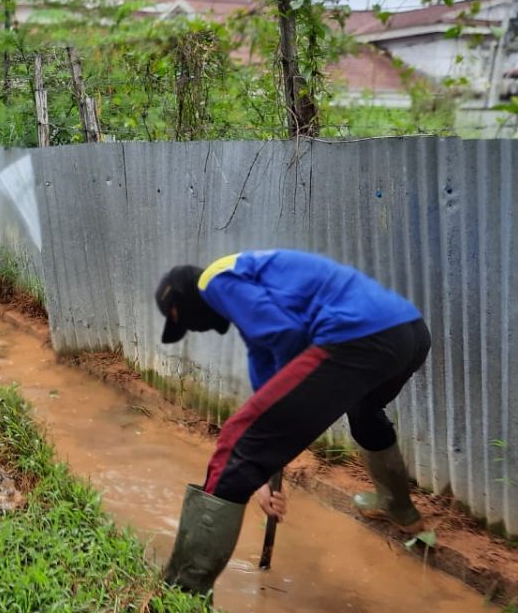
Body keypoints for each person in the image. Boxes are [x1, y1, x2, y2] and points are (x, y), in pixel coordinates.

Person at [154, 249, 430, 595]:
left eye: (181, 319)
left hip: (358, 336)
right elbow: (266, 382)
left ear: (184, 297)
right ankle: (398, 507)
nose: (191, 327)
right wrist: (265, 479)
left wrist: (268, 443)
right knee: (365, 411)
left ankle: (180, 598)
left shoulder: (213, 280)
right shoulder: (248, 278)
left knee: (235, 444)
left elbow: (285, 336)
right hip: (407, 333)